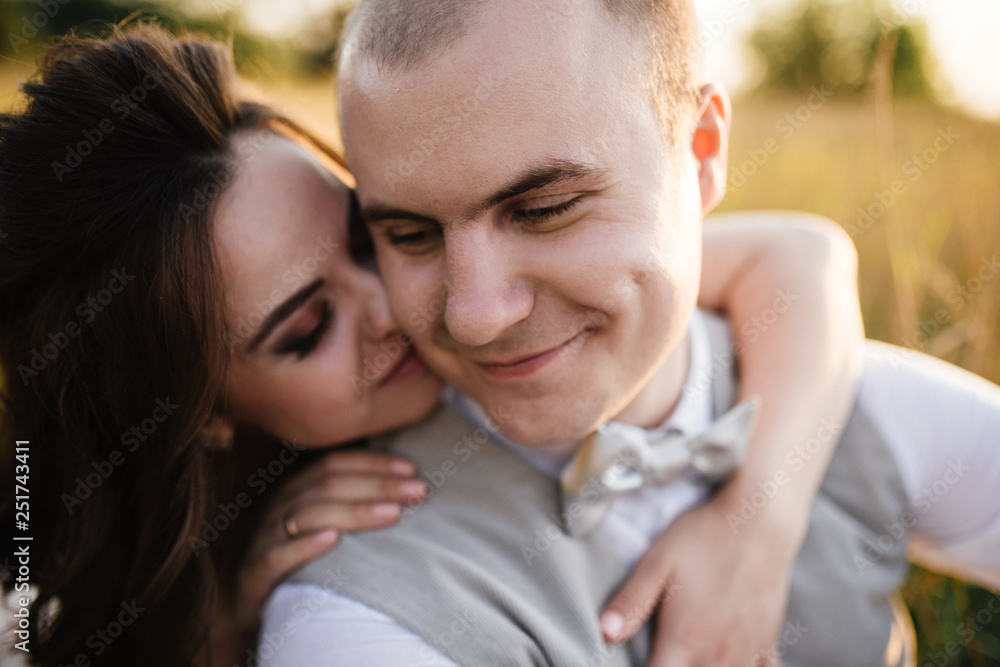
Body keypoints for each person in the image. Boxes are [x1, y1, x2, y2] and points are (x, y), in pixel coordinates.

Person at [0, 24, 868, 666]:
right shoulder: (46, 598)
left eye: (377, 234)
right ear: (206, 418)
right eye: (308, 329)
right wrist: (221, 632)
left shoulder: (511, 285)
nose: (447, 306)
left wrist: (760, 520)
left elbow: (806, 254)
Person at [258, 0, 1000, 665]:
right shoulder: (354, 611)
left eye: (544, 208)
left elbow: (806, 251)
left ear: (701, 151)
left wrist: (759, 516)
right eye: (410, 233)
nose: (474, 314)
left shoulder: (850, 390)